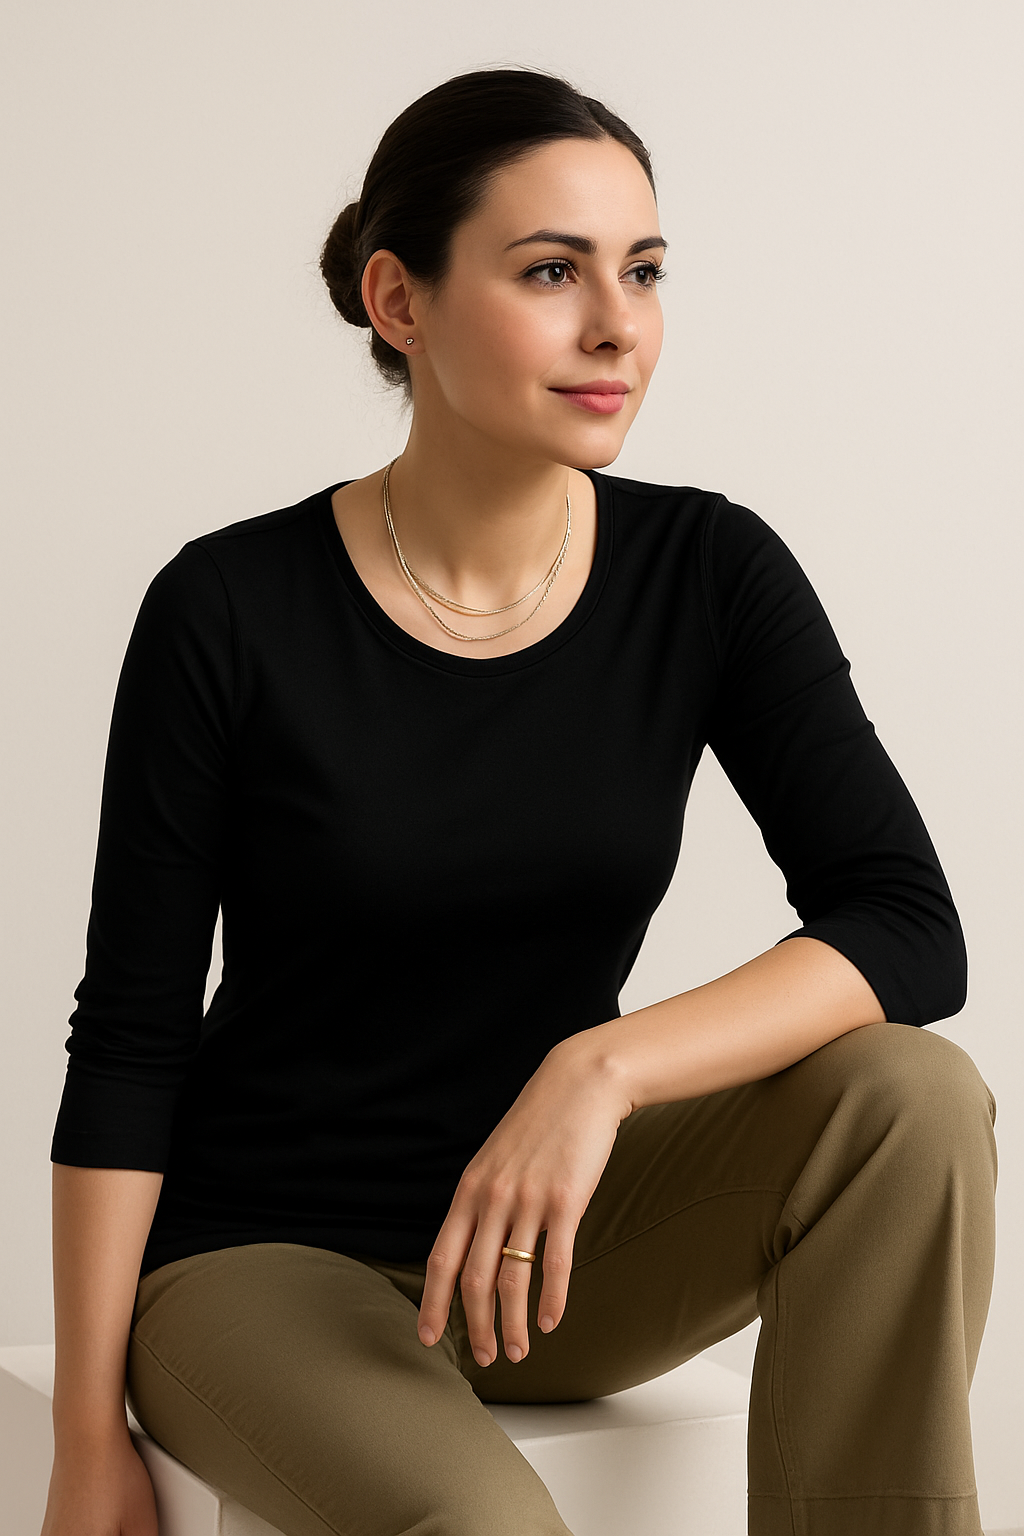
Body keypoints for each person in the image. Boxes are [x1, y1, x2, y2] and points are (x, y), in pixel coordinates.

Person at [41, 66, 997, 1536]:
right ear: (397, 300)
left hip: (551, 1251)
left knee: (911, 1100)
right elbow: (132, 1037)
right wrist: (88, 1439)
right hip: (271, 1263)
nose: (619, 325)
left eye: (645, 271)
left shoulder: (710, 576)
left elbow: (907, 929)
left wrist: (598, 1072)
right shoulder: (228, 607)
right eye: (552, 272)